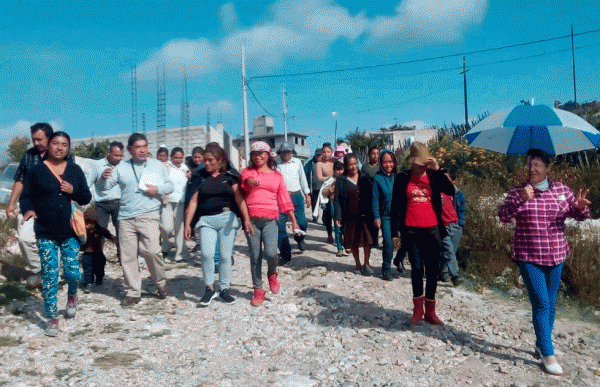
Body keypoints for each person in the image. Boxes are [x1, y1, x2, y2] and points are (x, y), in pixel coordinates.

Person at [499, 148, 590, 376]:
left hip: (557, 255)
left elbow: (578, 214)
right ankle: (548, 353)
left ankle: (541, 344)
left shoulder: (561, 190)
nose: (532, 169)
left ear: (548, 168)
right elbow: (503, 216)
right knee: (541, 303)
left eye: (538, 165)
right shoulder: (519, 191)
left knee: (551, 303)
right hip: (529, 256)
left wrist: (580, 208)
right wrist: (520, 201)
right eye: (530, 164)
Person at [19, 131, 92, 336]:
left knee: (72, 272)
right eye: (56, 143)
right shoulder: (36, 171)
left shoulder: (75, 170)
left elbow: (86, 197)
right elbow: (26, 196)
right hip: (45, 232)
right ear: (49, 146)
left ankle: (72, 295)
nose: (60, 147)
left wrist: (73, 191)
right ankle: (51, 317)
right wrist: (29, 210)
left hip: (70, 231)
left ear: (69, 148)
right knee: (50, 275)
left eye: (64, 144)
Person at [99, 133, 173, 306]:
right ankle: (133, 292)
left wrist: (158, 189)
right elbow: (104, 188)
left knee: (152, 251)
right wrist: (103, 178)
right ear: (130, 149)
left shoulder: (156, 165)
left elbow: (170, 186)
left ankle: (160, 283)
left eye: (145, 146)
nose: (142, 150)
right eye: (138, 147)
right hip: (125, 217)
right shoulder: (121, 168)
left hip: (149, 215)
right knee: (128, 256)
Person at [390, 141, 455, 326]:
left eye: (424, 164)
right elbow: (395, 207)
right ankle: (418, 310)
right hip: (411, 230)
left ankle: (431, 312)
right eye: (418, 164)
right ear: (411, 162)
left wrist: (438, 169)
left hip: (433, 230)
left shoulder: (434, 177)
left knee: (432, 271)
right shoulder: (403, 178)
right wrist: (394, 232)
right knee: (417, 269)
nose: (421, 167)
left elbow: (451, 191)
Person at [6, 123, 75, 289]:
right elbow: (20, 180)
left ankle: (53, 277)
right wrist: (11, 204)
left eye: (39, 139)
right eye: (33, 139)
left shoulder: (65, 156)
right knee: (24, 238)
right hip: (29, 204)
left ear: (50, 138)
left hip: (55, 206)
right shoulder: (29, 155)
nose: (36, 143)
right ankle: (38, 269)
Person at [184, 144, 252, 307]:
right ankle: (209, 288)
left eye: (210, 160)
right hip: (206, 221)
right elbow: (193, 202)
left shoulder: (230, 176)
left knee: (225, 256)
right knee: (207, 254)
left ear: (220, 160)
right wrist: (187, 224)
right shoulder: (199, 177)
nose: (206, 163)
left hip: (227, 218)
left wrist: (247, 219)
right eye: (205, 160)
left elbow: (239, 199)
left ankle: (224, 289)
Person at [240, 141, 300, 307]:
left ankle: (272, 273)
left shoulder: (276, 176)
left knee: (272, 253)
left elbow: (285, 200)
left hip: (271, 219)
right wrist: (250, 183)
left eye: (262, 153)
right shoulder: (247, 172)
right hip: (251, 220)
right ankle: (258, 290)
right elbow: (245, 182)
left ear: (268, 155)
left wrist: (294, 221)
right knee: (255, 256)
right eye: (254, 154)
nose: (258, 156)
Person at [333, 153, 374, 276]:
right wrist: (338, 216)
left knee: (368, 240)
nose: (353, 167)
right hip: (349, 215)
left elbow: (372, 195)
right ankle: (357, 264)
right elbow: (337, 199)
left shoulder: (364, 177)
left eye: (355, 163)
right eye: (350, 164)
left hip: (365, 214)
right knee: (353, 241)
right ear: (345, 166)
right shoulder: (341, 180)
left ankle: (366, 264)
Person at [86, 141, 124, 258]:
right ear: (108, 153)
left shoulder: (123, 166)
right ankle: (98, 257)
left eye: (121, 156)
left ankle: (122, 257)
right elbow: (88, 182)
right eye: (116, 155)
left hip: (119, 203)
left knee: (122, 231)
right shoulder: (98, 165)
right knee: (99, 231)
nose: (119, 158)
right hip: (101, 204)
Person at [276, 142, 311, 264]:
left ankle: (299, 238)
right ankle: (285, 253)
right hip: (281, 197)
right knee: (280, 225)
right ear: (279, 153)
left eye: (287, 152)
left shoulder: (297, 163)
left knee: (302, 221)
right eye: (283, 152)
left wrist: (307, 194)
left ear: (291, 152)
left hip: (296, 195)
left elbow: (302, 178)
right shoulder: (276, 165)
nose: (285, 155)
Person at [372, 150, 397, 281]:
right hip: (385, 216)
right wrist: (377, 217)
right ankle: (386, 270)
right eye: (385, 162)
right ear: (381, 163)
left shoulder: (398, 177)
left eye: (391, 162)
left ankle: (399, 261)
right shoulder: (377, 178)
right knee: (388, 242)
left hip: (398, 216)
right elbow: (375, 199)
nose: (388, 164)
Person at [162, 147, 191, 262]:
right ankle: (166, 246)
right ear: (171, 157)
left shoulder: (185, 168)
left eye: (180, 158)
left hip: (180, 201)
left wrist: (189, 177)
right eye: (176, 157)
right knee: (166, 228)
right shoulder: (166, 167)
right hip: (167, 201)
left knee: (179, 228)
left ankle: (180, 254)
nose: (178, 160)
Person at [80, 208, 118, 293]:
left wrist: (113, 238)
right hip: (87, 254)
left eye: (91, 223)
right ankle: (88, 283)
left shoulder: (99, 229)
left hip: (98, 253)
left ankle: (99, 278)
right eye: (87, 222)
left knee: (99, 268)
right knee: (87, 269)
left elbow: (107, 234)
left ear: (95, 222)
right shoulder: (83, 231)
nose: (88, 225)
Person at [438, 171, 466, 287]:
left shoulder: (458, 194)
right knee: (449, 251)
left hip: (455, 225)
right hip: (443, 226)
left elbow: (463, 209)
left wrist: (461, 223)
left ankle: (442, 272)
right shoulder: (438, 193)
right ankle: (455, 276)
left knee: (450, 252)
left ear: (453, 181)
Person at [317, 161, 345, 256]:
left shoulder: (347, 179)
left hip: (345, 206)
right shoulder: (330, 180)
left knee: (345, 227)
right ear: (333, 171)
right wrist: (332, 187)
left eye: (341, 169)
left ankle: (345, 243)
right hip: (334, 205)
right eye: (337, 169)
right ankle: (339, 248)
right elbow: (324, 192)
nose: (339, 171)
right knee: (337, 227)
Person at [316, 144, 335, 244]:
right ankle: (329, 234)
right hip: (326, 190)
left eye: (328, 152)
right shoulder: (319, 164)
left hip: (337, 189)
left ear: (331, 152)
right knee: (328, 215)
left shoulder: (335, 162)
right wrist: (331, 179)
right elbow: (319, 178)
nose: (326, 154)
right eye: (324, 152)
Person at [305, 147, 324, 219]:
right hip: (314, 188)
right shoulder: (310, 163)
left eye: (320, 155)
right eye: (317, 155)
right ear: (315, 155)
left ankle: (325, 219)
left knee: (325, 204)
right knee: (315, 203)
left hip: (324, 187)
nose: (318, 156)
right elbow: (305, 173)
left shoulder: (325, 163)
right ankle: (315, 216)